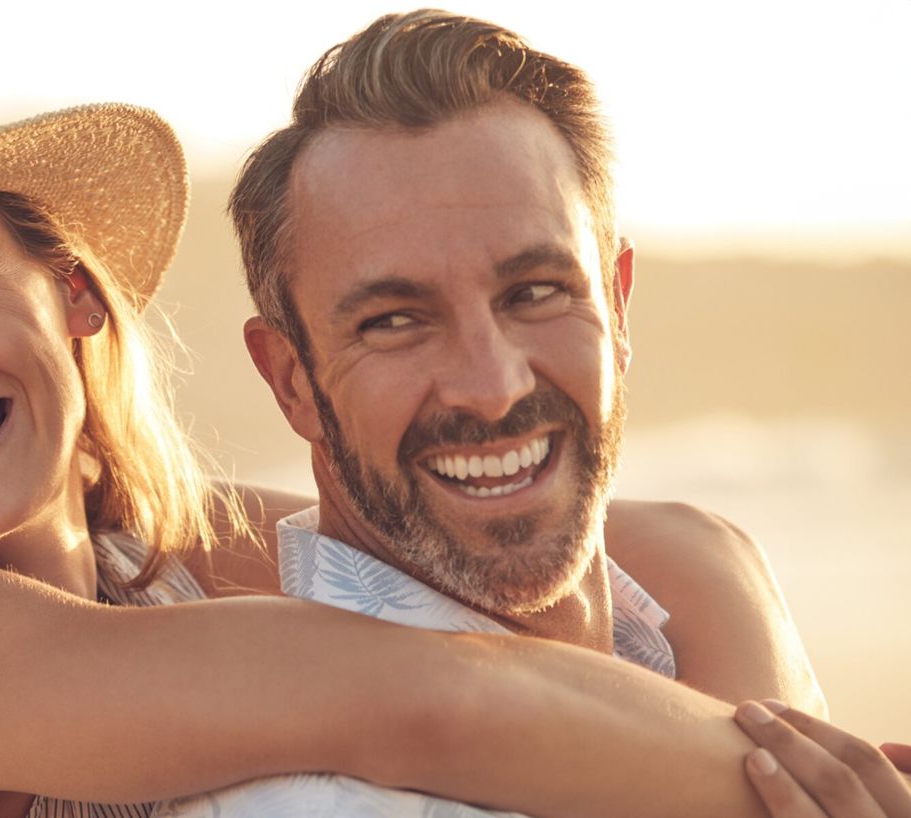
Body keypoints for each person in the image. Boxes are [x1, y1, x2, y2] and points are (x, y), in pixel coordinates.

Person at [0, 34, 902, 818]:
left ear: (67, 299)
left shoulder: (164, 568)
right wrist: (787, 784)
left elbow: (648, 541)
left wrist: (756, 669)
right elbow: (434, 698)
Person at [159, 9, 911, 817]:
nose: (492, 386)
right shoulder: (321, 799)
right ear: (292, 380)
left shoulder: (673, 616)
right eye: (394, 321)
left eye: (537, 292)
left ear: (618, 308)